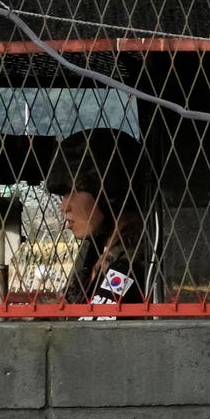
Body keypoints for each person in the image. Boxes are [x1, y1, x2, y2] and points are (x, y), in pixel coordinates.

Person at [45, 128, 154, 307]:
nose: (64, 207)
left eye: (71, 192)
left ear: (108, 192)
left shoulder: (137, 256)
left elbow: (97, 322)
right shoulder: (97, 248)